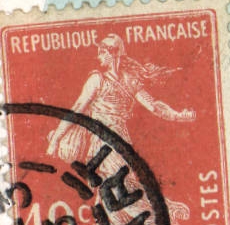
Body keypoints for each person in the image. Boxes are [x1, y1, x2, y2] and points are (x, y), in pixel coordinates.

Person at [46, 34, 195, 166]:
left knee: (120, 189)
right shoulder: (109, 80)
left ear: (111, 54)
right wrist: (178, 115)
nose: (98, 57)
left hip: (112, 143)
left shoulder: (110, 80)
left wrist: (178, 115)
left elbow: (154, 106)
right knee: (118, 189)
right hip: (112, 144)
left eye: (101, 53)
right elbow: (77, 110)